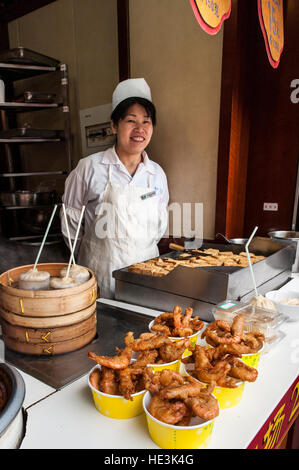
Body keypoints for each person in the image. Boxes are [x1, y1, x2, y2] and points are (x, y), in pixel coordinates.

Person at [61, 78, 169, 299]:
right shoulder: (89, 168)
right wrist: (95, 253)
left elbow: (158, 228)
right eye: (131, 120)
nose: (140, 129)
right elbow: (71, 226)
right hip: (99, 274)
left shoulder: (156, 174)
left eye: (146, 122)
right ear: (114, 125)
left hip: (146, 277)